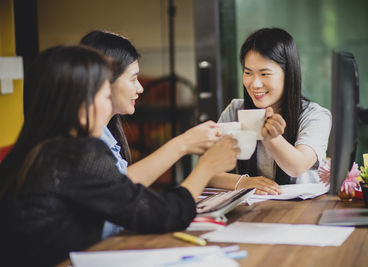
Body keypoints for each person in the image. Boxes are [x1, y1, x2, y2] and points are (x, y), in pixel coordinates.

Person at [0, 45, 239, 267]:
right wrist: (207, 167)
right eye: (105, 97)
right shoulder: (76, 155)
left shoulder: (31, 151)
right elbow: (161, 215)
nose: (108, 112)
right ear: (81, 107)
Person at [80, 30, 222, 238]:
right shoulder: (83, 145)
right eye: (133, 78)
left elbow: (123, 188)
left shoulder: (106, 135)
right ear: (104, 81)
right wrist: (188, 150)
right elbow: (127, 195)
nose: (140, 88)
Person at [208, 27, 332, 195]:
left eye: (265, 74)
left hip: (301, 211)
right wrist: (244, 182)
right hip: (252, 211)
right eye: (248, 73)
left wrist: (270, 138)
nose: (255, 84)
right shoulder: (235, 110)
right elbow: (208, 169)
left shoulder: (315, 115)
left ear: (288, 75)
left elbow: (297, 167)